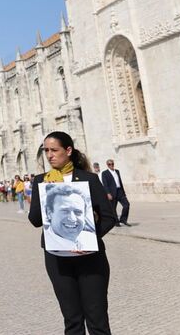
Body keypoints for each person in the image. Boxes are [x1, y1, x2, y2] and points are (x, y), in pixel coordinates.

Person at [29, 131, 117, 335]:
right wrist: (46, 197)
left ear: (68, 151)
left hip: (90, 258)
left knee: (97, 319)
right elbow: (34, 221)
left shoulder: (89, 179)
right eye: (46, 151)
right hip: (57, 259)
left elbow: (109, 217)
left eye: (54, 150)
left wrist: (86, 241)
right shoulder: (41, 180)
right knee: (72, 320)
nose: (49, 155)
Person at [41, 184, 99, 253]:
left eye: (78, 212)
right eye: (65, 211)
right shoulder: (49, 245)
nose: (72, 218)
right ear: (49, 213)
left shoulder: (91, 239)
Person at [101, 159, 130, 227]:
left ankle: (123, 220)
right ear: (107, 165)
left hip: (120, 191)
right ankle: (116, 222)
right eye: (109, 164)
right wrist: (108, 193)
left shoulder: (117, 171)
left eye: (112, 164)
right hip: (112, 193)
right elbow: (105, 184)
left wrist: (123, 191)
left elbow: (120, 182)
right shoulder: (104, 173)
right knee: (113, 208)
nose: (111, 165)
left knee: (126, 205)